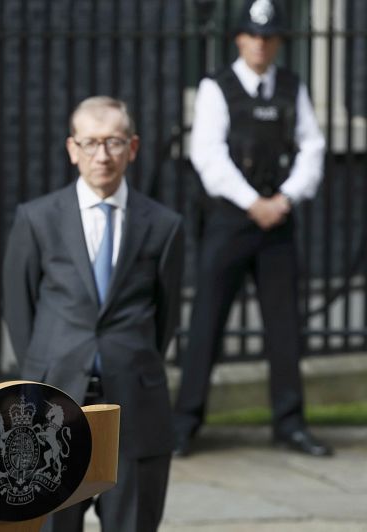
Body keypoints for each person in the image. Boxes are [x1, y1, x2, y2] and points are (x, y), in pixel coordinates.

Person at [3, 96, 184, 532]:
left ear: (133, 147)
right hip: (53, 402)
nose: (102, 155)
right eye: (90, 143)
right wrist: (45, 369)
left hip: (134, 403)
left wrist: (130, 357)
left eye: (114, 142)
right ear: (72, 149)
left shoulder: (163, 225)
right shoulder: (37, 219)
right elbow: (19, 306)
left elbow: (167, 315)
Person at [172, 0, 332, 458]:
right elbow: (208, 155)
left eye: (268, 36)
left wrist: (282, 200)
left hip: (277, 219)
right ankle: (186, 422)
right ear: (239, 38)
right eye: (252, 35)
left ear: (278, 41)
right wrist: (253, 203)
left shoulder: (291, 86)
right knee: (207, 320)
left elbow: (312, 147)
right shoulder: (215, 88)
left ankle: (290, 422)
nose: (260, 43)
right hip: (230, 220)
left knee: (284, 326)